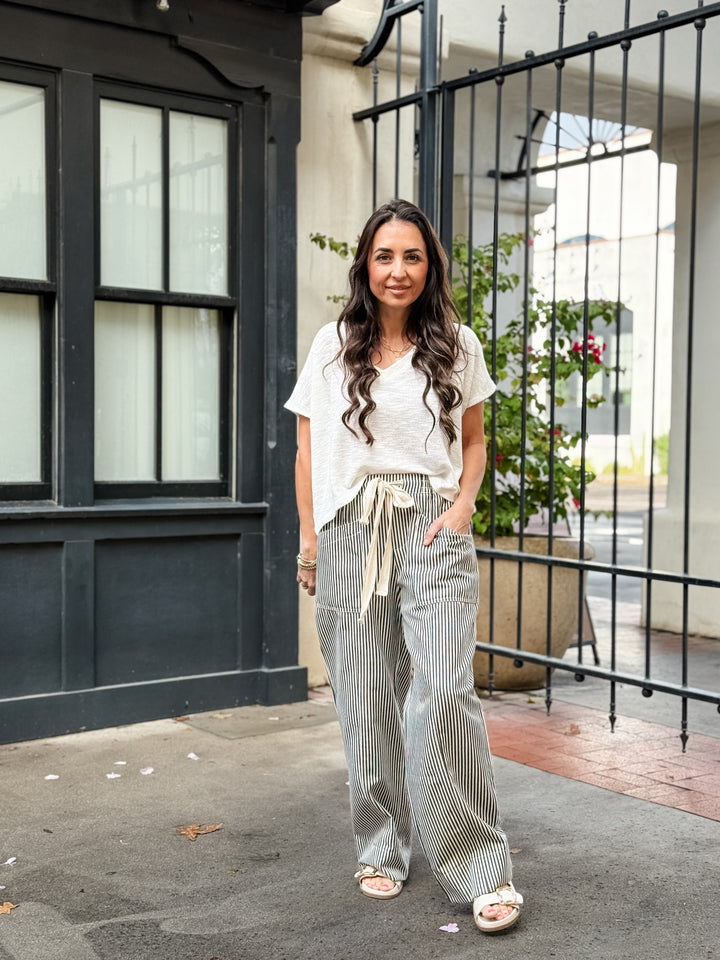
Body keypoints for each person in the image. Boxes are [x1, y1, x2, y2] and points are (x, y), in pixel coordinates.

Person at [285, 199, 523, 934]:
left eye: (412, 256)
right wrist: (310, 545)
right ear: (365, 263)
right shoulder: (331, 346)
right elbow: (306, 453)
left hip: (430, 524)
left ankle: (480, 868)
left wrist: (462, 508)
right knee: (365, 698)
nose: (398, 270)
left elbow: (474, 441)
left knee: (445, 690)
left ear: (430, 266)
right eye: (385, 256)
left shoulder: (457, 344)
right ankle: (381, 846)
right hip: (349, 527)